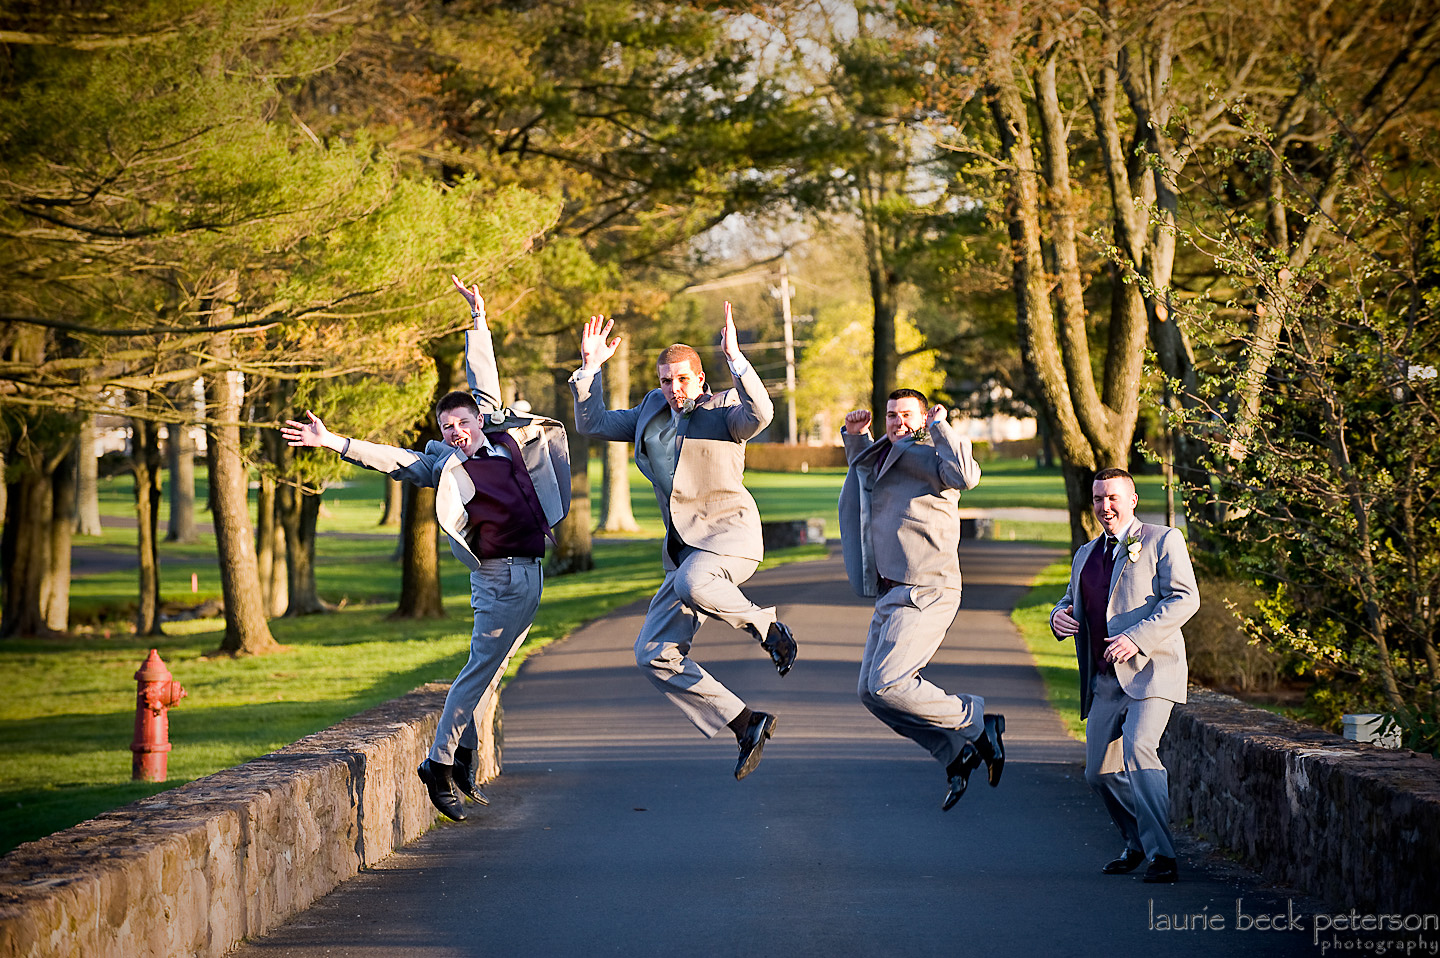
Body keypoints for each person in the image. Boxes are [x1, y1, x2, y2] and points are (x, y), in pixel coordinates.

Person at [281, 276, 570, 822]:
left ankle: (463, 753)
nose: (455, 430)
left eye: (461, 422)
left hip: (532, 572)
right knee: (477, 670)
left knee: (494, 668)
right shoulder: (446, 464)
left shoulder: (505, 439)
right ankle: (438, 763)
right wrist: (335, 442)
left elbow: (483, 378)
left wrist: (478, 320)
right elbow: (392, 458)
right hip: (498, 577)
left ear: (478, 420)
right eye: (446, 426)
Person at [569, 303, 797, 780]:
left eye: (683, 379)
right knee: (652, 653)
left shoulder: (725, 415)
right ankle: (744, 722)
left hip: (730, 539)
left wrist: (736, 359)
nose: (675, 389)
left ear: (701, 380)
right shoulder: (652, 410)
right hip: (684, 553)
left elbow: (762, 411)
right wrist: (589, 371)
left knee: (695, 582)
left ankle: (768, 629)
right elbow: (592, 424)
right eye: (667, 380)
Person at [838, 389, 1002, 810]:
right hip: (891, 591)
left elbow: (967, 476)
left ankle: (976, 719)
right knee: (870, 693)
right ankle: (955, 753)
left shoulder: (935, 459)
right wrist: (856, 435)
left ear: (922, 418)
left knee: (888, 683)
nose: (897, 422)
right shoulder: (883, 455)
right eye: (891, 415)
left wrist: (941, 427)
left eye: (906, 415)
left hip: (928, 588)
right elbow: (862, 473)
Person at [1050, 467, 1199, 883]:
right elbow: (1068, 600)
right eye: (1098, 499)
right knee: (1097, 773)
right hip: (1104, 680)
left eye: (1113, 497)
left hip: (1152, 672)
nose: (1105, 506)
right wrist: (1057, 616)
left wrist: (1136, 638)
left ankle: (1162, 856)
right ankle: (1136, 843)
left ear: (1133, 499)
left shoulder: (1163, 540)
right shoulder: (1085, 553)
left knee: (1138, 751)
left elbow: (1186, 599)